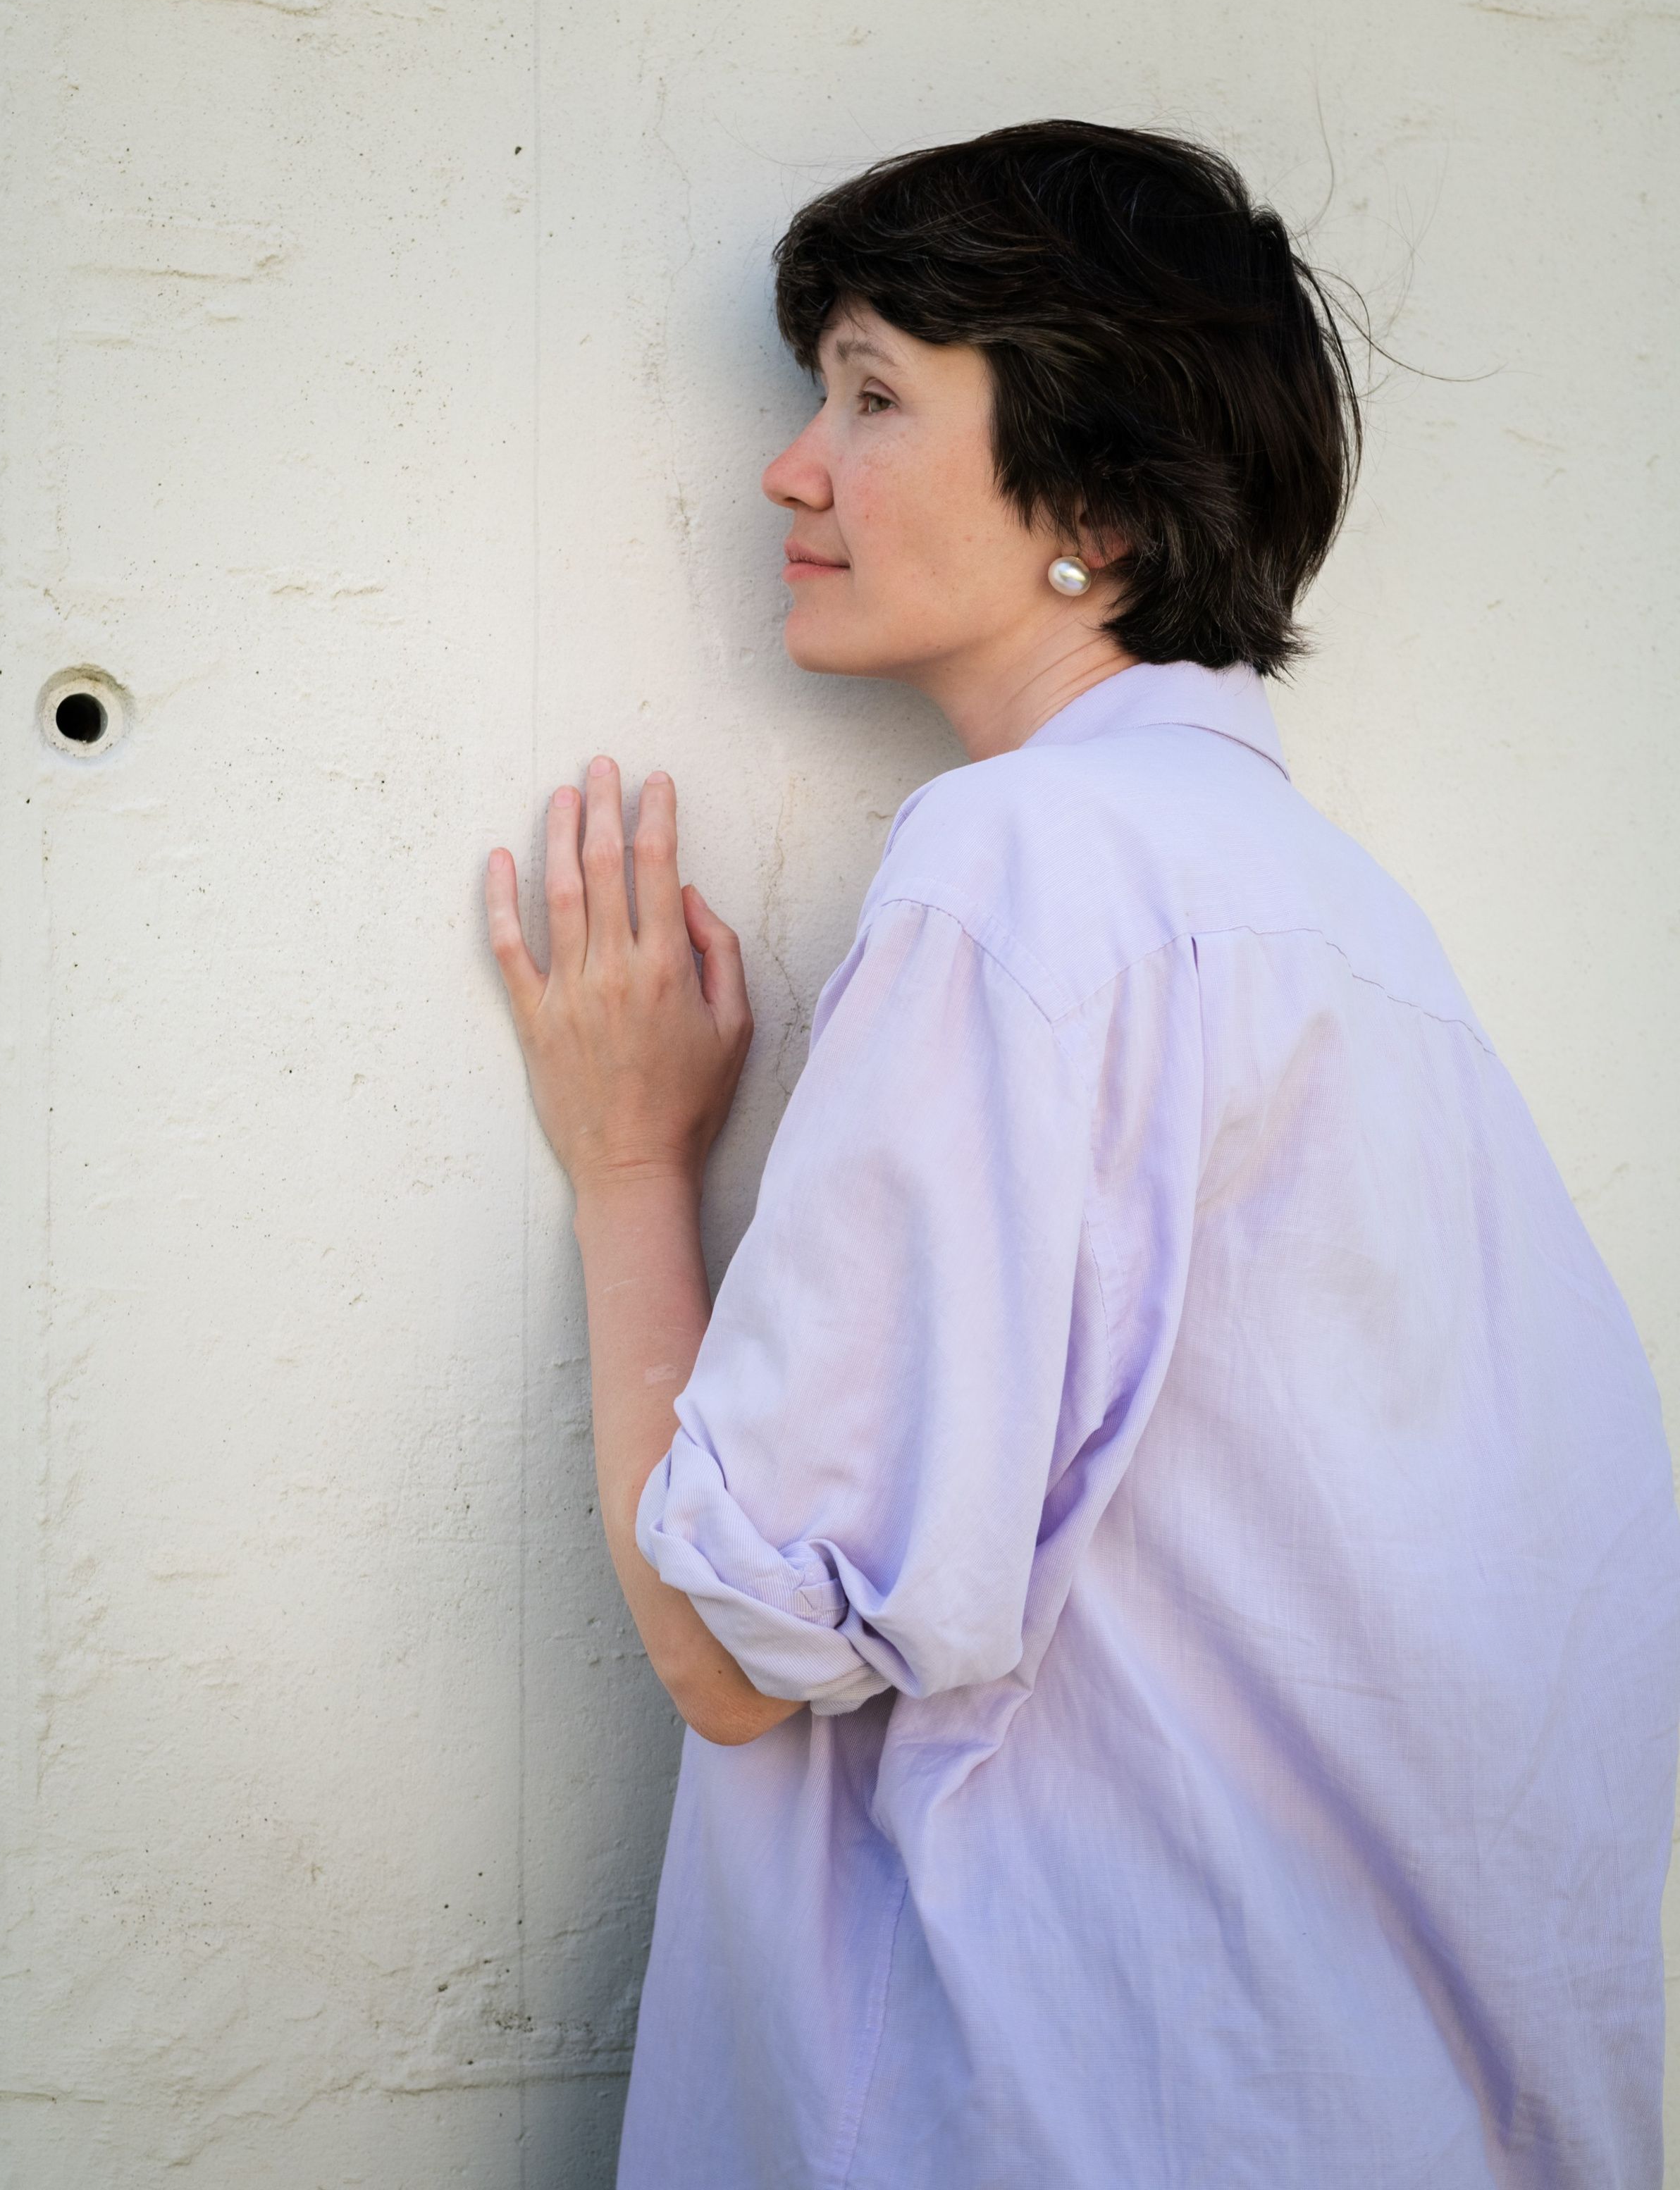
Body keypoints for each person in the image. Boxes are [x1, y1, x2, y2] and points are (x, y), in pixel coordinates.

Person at [484, 121, 1680, 2189]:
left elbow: (735, 1649)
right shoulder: (1351, 931)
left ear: (1103, 509)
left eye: (871, 395)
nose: (793, 465)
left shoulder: (1025, 868)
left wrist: (622, 1164)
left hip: (1068, 2111)